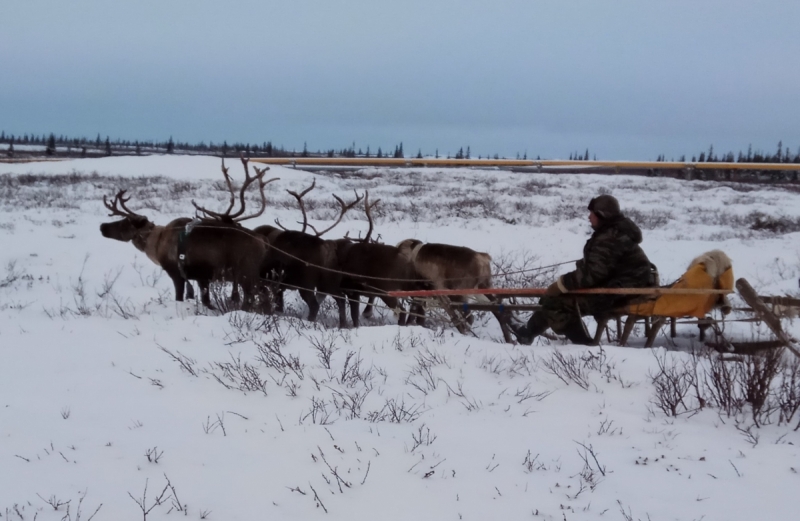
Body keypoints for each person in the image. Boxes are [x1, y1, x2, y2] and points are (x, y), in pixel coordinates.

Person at [512, 194, 656, 345]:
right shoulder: (614, 231)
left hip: (621, 292)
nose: (589, 217)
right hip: (624, 287)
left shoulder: (609, 238)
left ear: (602, 215)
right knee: (550, 299)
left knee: (556, 303)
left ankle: (583, 345)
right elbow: (603, 266)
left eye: (592, 213)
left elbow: (592, 275)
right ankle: (527, 334)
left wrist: (562, 284)